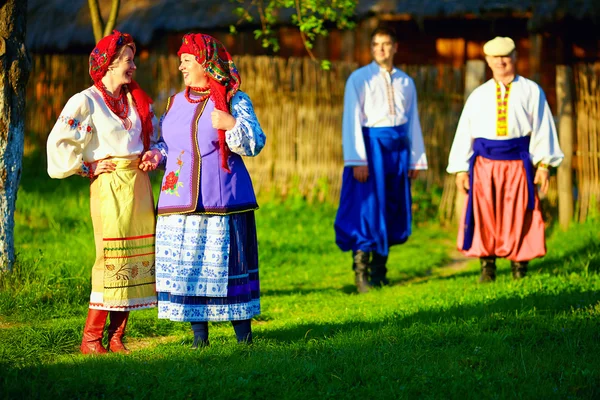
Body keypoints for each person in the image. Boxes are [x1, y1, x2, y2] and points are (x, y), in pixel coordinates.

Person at [47, 30, 161, 354]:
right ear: (110, 64)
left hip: (138, 184)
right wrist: (87, 167)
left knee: (138, 258)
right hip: (109, 187)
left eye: (133, 59)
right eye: (128, 60)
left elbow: (157, 137)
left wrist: (154, 155)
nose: (134, 66)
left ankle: (117, 337)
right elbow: (58, 143)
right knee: (111, 259)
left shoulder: (134, 100)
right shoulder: (85, 101)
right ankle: (91, 339)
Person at [148, 33, 265, 347]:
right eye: (181, 60)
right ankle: (199, 339)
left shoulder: (233, 99)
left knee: (227, 270)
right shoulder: (173, 102)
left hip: (221, 201)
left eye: (187, 60)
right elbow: (167, 144)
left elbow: (255, 142)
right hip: (179, 202)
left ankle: (244, 339)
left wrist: (230, 124)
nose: (181, 66)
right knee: (190, 268)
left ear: (205, 62)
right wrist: (157, 155)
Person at [447, 36, 564, 282]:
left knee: (519, 212)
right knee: (485, 213)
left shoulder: (531, 90)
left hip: (517, 165)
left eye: (505, 56)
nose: (500, 62)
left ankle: (519, 268)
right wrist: (460, 169)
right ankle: (487, 268)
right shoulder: (478, 95)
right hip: (484, 165)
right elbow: (465, 131)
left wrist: (543, 165)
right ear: (488, 61)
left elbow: (543, 128)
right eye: (495, 57)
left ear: (514, 57)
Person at [334, 27, 428, 293]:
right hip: (370, 150)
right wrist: (357, 160)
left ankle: (380, 272)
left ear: (395, 47)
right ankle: (361, 274)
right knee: (366, 209)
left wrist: (414, 160)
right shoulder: (359, 78)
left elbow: (413, 122)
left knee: (390, 206)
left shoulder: (406, 82)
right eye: (377, 45)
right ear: (372, 48)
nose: (382, 50)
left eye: (386, 44)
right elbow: (351, 119)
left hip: (397, 152)